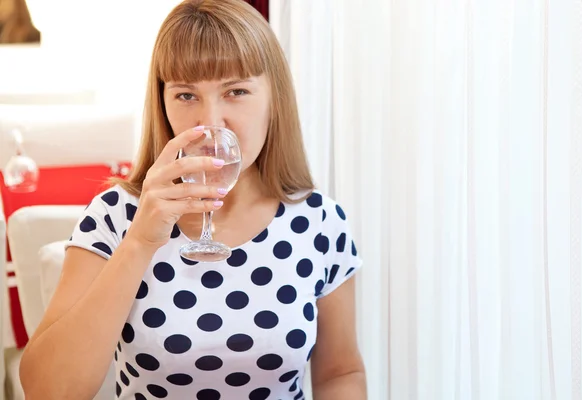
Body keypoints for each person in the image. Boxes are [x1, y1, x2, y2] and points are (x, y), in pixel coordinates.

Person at [19, 0, 366, 399]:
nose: (211, 122)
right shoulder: (114, 217)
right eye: (186, 96)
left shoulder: (319, 223)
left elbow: (341, 373)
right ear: (163, 104)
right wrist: (140, 243)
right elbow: (47, 391)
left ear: (275, 100)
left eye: (236, 91)